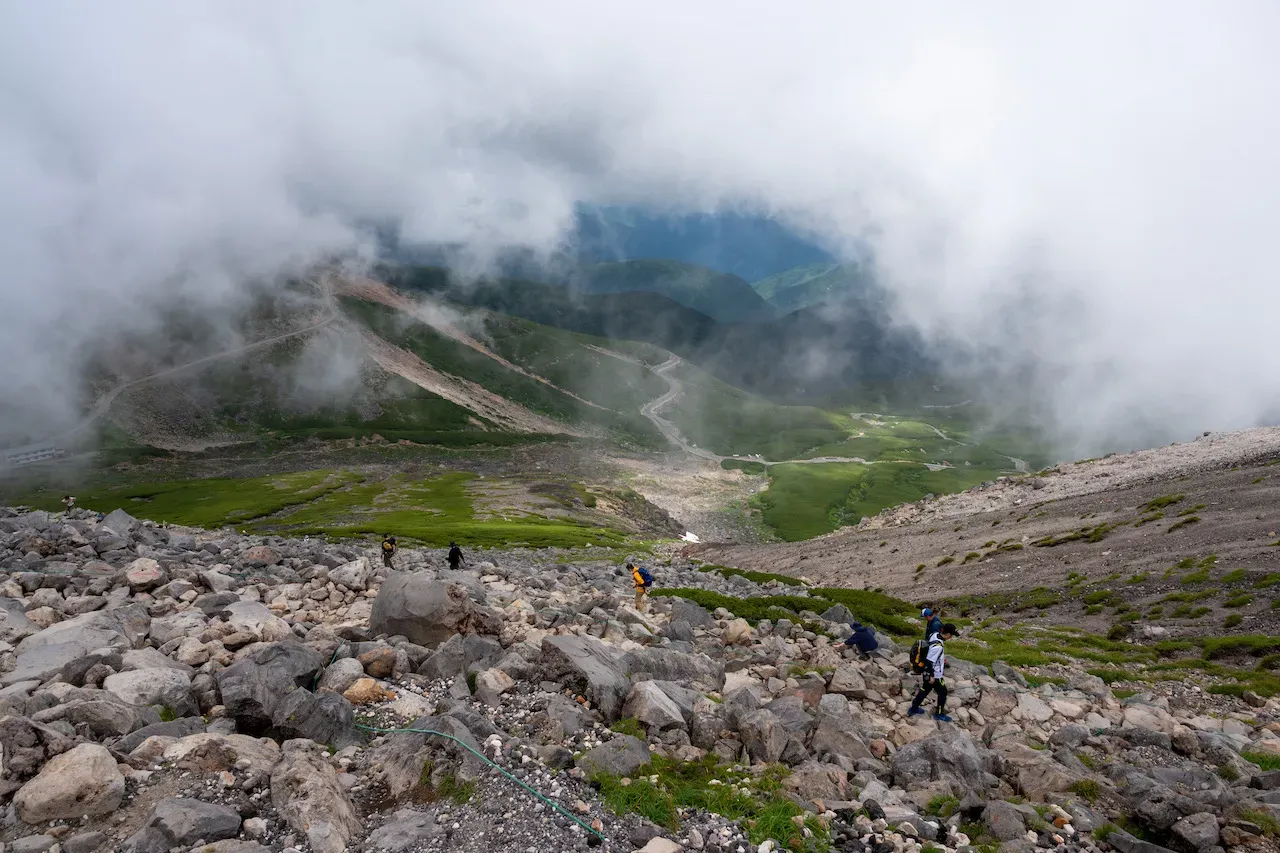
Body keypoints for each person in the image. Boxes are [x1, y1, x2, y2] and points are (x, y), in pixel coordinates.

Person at [908, 622, 958, 722]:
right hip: (935, 674)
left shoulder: (934, 635)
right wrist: (931, 676)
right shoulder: (938, 647)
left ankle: (913, 708)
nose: (951, 637)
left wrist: (941, 659)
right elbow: (929, 661)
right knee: (943, 692)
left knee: (925, 690)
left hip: (928, 671)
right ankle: (939, 714)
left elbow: (930, 653)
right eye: (952, 635)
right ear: (948, 634)